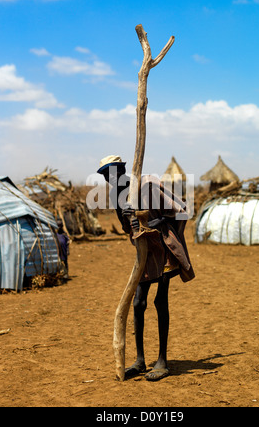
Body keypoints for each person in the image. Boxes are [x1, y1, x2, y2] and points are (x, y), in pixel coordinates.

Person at [97, 155, 195, 381]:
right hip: (144, 253)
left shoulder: (146, 184)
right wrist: (130, 221)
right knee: (138, 302)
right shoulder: (116, 195)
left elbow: (180, 210)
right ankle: (140, 360)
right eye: (104, 175)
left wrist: (149, 223)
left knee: (160, 301)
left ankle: (162, 360)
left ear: (122, 170)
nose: (109, 178)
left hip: (163, 248)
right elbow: (126, 227)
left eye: (112, 172)